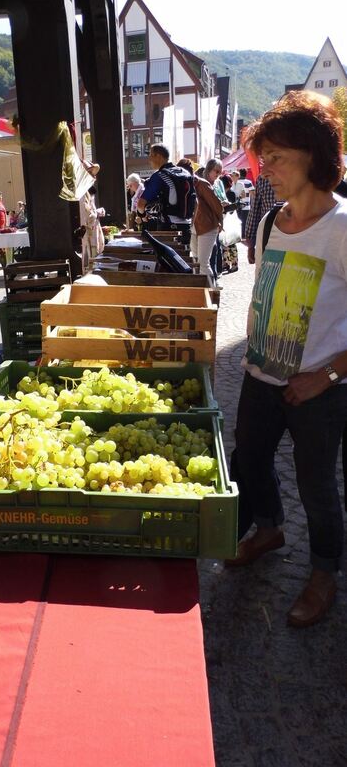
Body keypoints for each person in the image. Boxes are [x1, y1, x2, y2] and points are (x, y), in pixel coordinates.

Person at [225, 90, 347, 629]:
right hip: (261, 371)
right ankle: (269, 528)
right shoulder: (274, 218)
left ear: (313, 153)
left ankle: (323, 575)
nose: (264, 168)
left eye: (275, 156)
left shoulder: (342, 228)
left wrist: (327, 375)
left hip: (318, 384)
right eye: (262, 157)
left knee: (316, 483)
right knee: (248, 457)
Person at [136, 143, 195, 244]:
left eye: (151, 155)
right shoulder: (185, 173)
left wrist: (143, 215)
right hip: (187, 227)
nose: (149, 159)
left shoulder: (160, 176)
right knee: (184, 259)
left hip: (168, 229)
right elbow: (195, 201)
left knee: (166, 259)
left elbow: (140, 204)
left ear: (158, 156)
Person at [193, 159, 224, 286]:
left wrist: (220, 221)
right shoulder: (201, 183)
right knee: (199, 261)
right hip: (199, 225)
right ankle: (203, 290)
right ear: (209, 169)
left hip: (207, 225)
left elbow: (216, 205)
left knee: (204, 262)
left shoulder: (206, 183)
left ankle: (212, 291)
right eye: (216, 171)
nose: (218, 174)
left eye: (220, 172)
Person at [244, 173, 276, 264]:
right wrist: (251, 245)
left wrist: (251, 245)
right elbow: (255, 211)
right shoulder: (263, 178)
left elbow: (254, 211)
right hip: (268, 235)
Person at [81, 184, 105, 273]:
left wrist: (97, 212)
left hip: (94, 230)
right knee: (90, 256)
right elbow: (87, 215)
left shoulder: (89, 190)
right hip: (89, 232)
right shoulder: (83, 192)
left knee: (94, 255)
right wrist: (96, 212)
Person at [238, 168, 254, 239]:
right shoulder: (248, 182)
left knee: (238, 220)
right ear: (246, 174)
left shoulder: (236, 182)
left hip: (237, 205)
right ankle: (243, 235)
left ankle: (238, 234)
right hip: (246, 205)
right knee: (245, 221)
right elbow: (252, 194)